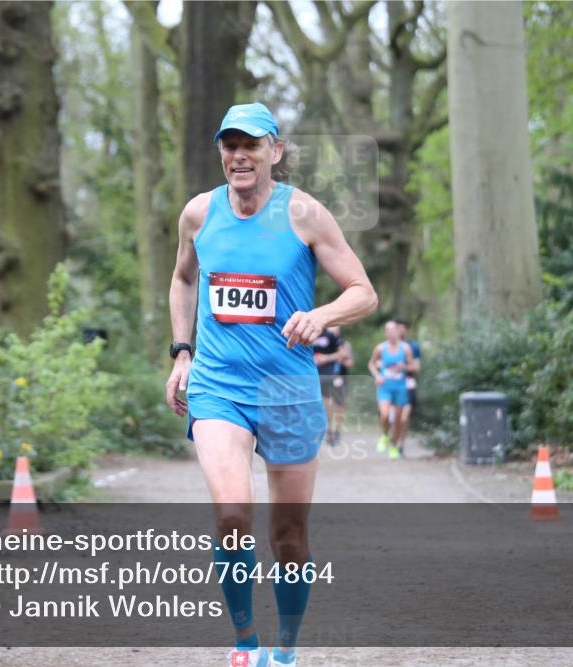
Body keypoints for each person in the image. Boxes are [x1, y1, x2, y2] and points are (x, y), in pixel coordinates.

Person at [165, 102, 377, 667]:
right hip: (219, 386)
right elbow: (183, 279)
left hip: (287, 391)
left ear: (274, 152)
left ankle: (285, 651)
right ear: (221, 151)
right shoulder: (198, 214)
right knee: (233, 514)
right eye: (230, 145)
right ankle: (245, 646)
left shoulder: (304, 214)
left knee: (288, 537)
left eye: (252, 145)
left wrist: (322, 316)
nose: (240, 155)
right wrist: (182, 351)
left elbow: (364, 292)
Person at [368, 320, 417, 459]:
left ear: (397, 331)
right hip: (385, 386)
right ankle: (385, 436)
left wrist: (404, 367)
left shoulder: (406, 348)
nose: (391, 333)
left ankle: (394, 446)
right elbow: (371, 363)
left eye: (393, 330)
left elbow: (413, 367)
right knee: (384, 414)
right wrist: (377, 375)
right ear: (385, 333)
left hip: (400, 387)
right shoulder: (380, 348)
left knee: (397, 419)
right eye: (388, 330)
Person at [312, 326, 352, 446]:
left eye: (336, 328)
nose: (334, 330)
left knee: (338, 405)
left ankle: (337, 431)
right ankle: (328, 431)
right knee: (325, 404)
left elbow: (347, 358)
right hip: (318, 376)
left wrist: (327, 358)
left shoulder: (340, 342)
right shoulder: (312, 334)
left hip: (337, 377)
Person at [395, 318, 421, 441]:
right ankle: (393, 440)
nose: (399, 330)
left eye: (401, 328)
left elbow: (417, 368)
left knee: (404, 418)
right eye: (397, 328)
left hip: (408, 384)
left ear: (407, 330)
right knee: (394, 417)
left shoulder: (413, 346)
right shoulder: (387, 346)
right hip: (392, 385)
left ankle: (401, 444)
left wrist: (404, 367)